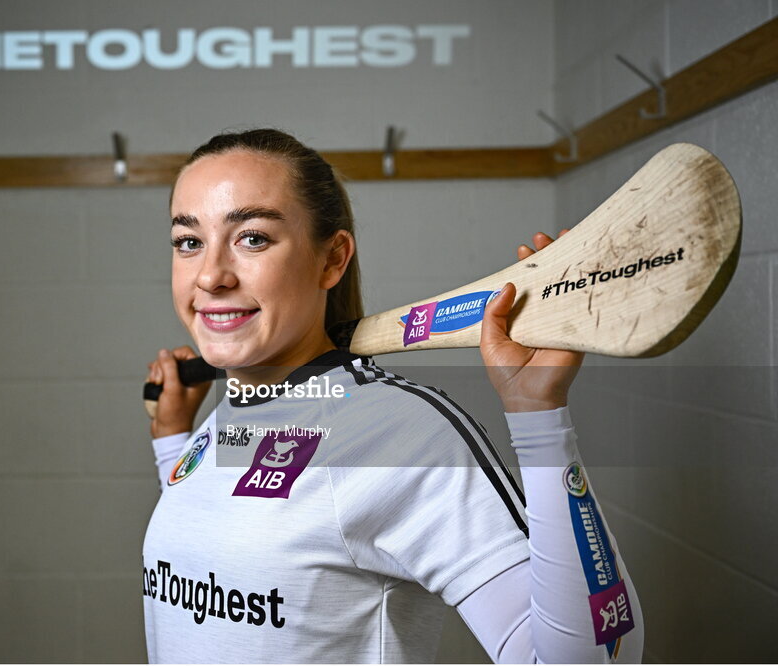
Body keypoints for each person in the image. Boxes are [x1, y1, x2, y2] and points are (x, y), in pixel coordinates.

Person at [142, 129, 643, 663]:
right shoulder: (240, 414)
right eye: (188, 242)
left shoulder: (396, 434)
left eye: (253, 238)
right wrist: (174, 442)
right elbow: (232, 529)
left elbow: (593, 659)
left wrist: (538, 417)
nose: (211, 275)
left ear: (331, 259)